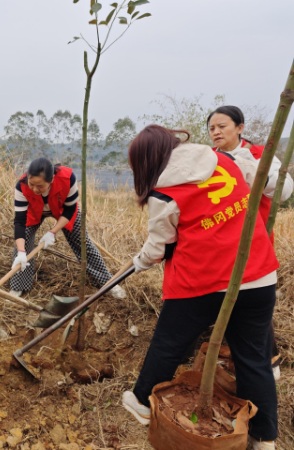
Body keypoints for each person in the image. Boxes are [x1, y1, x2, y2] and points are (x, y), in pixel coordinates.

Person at [121, 125, 279, 450]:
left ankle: (139, 402)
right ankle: (264, 439)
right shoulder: (222, 159)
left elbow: (159, 245)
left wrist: (138, 262)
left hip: (204, 281)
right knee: (253, 359)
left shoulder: (164, 191)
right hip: (258, 273)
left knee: (169, 343)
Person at [208, 105, 293, 380]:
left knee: (256, 300)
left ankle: (270, 360)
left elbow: (283, 191)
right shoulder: (209, 159)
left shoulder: (259, 154)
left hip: (254, 240)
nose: (216, 132)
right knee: (227, 299)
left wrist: (249, 167)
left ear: (240, 127)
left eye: (222, 126)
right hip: (220, 242)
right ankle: (230, 356)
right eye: (211, 128)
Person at [10, 157, 126, 299]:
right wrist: (21, 251)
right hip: (34, 212)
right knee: (22, 244)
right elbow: (20, 221)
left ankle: (109, 283)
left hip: (63, 211)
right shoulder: (21, 186)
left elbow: (70, 210)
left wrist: (52, 232)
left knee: (83, 242)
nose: (34, 189)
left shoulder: (68, 178)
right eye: (31, 184)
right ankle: (18, 287)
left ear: (51, 179)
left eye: (40, 186)